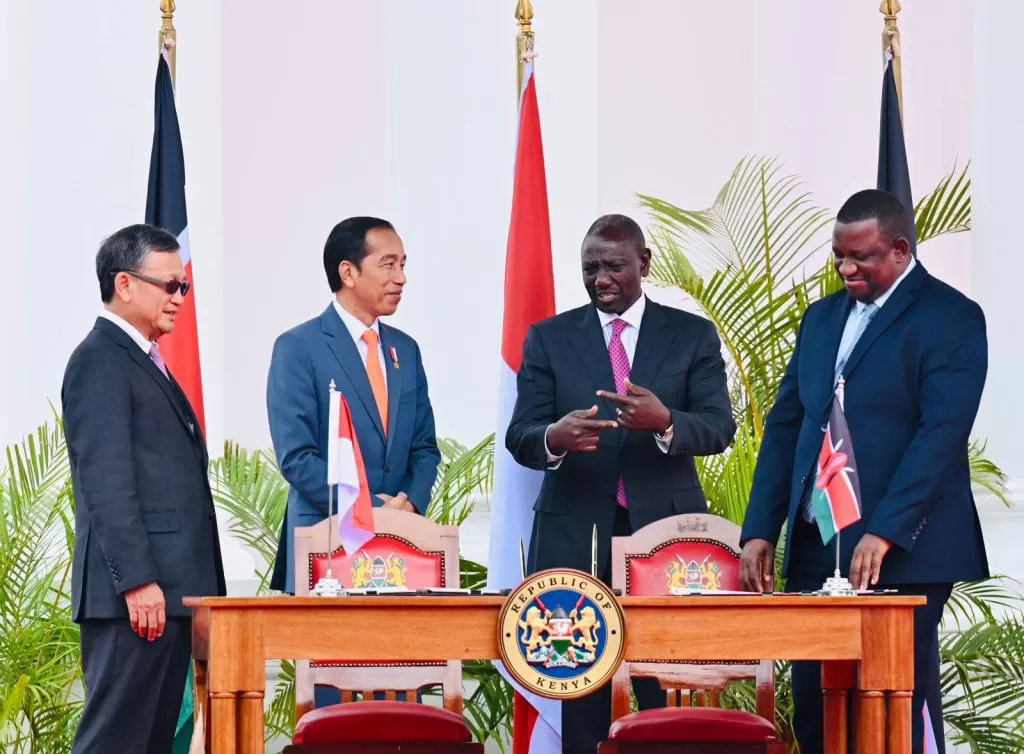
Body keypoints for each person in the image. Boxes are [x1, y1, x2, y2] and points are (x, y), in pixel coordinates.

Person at [739, 189, 989, 754]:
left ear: (900, 250)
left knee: (895, 704)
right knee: (814, 707)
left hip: (904, 550)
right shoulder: (822, 319)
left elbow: (941, 437)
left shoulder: (951, 317)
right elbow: (786, 428)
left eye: (862, 257)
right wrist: (760, 529)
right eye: (838, 257)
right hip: (817, 542)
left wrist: (886, 529)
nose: (847, 268)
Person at [505, 213, 736, 754]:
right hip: (575, 536)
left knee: (664, 684)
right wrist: (556, 438)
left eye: (613, 266)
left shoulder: (692, 335)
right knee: (580, 681)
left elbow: (719, 426)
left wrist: (666, 423)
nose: (601, 278)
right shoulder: (549, 338)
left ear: (644, 263)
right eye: (590, 268)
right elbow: (521, 434)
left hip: (666, 538)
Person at [63, 224, 226, 754]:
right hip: (136, 599)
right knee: (114, 741)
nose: (180, 297)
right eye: (169, 285)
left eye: (184, 287)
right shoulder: (100, 358)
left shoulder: (145, 360)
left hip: (168, 594)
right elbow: (106, 481)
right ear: (125, 284)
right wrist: (137, 581)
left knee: (151, 743)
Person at [267, 216, 441, 595]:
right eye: (388, 264)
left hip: (402, 547)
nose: (401, 278)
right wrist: (371, 508)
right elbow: (297, 457)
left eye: (403, 264)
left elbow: (425, 447)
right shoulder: (299, 347)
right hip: (326, 544)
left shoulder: (405, 350)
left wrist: (409, 504)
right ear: (348, 272)